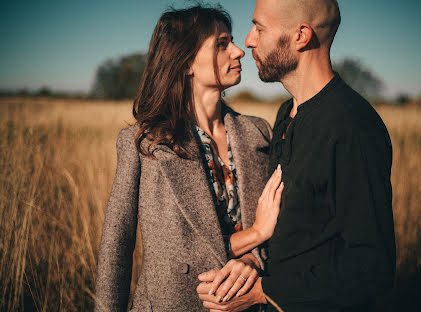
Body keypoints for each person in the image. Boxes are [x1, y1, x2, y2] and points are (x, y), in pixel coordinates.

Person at [197, 0, 396, 311]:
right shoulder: (285, 115)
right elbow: (290, 231)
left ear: (301, 35)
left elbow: (372, 267)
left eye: (259, 28)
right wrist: (251, 259)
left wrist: (263, 291)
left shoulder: (352, 126)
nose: (248, 40)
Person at [94, 5, 284, 312]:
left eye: (232, 41)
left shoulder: (258, 133)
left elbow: (284, 228)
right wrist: (256, 234)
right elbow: (117, 248)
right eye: (222, 44)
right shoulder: (143, 144)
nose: (238, 52)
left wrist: (254, 258)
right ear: (186, 62)